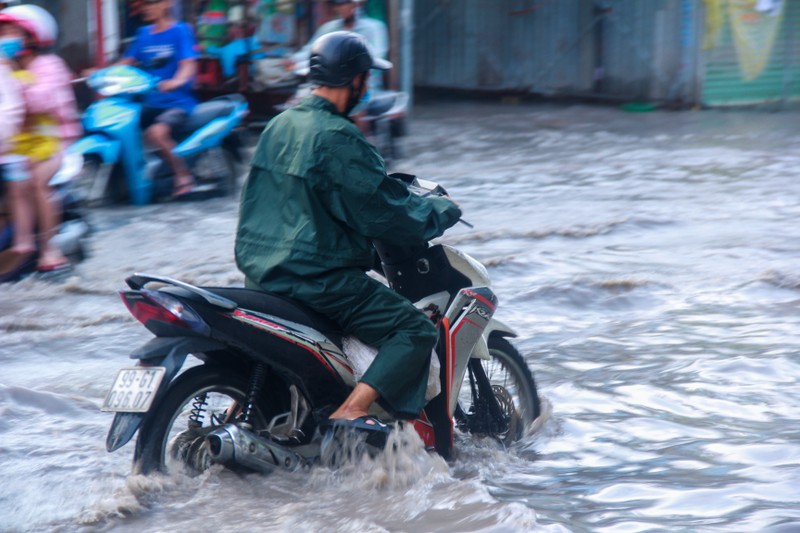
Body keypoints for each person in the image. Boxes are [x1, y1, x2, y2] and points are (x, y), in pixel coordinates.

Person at [235, 32, 462, 430]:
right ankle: (353, 410)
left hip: (261, 276)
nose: (367, 86)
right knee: (411, 329)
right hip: (319, 281)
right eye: (366, 78)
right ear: (354, 80)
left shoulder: (280, 124)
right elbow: (383, 213)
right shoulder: (338, 137)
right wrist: (441, 212)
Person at [0, 4, 80, 275]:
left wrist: (15, 78)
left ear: (32, 37)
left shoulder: (48, 65)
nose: (6, 38)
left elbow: (42, 102)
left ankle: (48, 247)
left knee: (35, 182)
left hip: (51, 145)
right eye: (3, 33)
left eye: (13, 32)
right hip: (14, 145)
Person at [117, 0, 199, 198]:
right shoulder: (143, 34)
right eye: (143, 4)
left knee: (156, 133)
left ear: (165, 4)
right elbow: (125, 63)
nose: (146, 8)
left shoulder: (180, 31)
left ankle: (183, 175)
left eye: (150, 3)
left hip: (177, 102)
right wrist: (98, 73)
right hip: (150, 101)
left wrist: (177, 80)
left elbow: (188, 64)